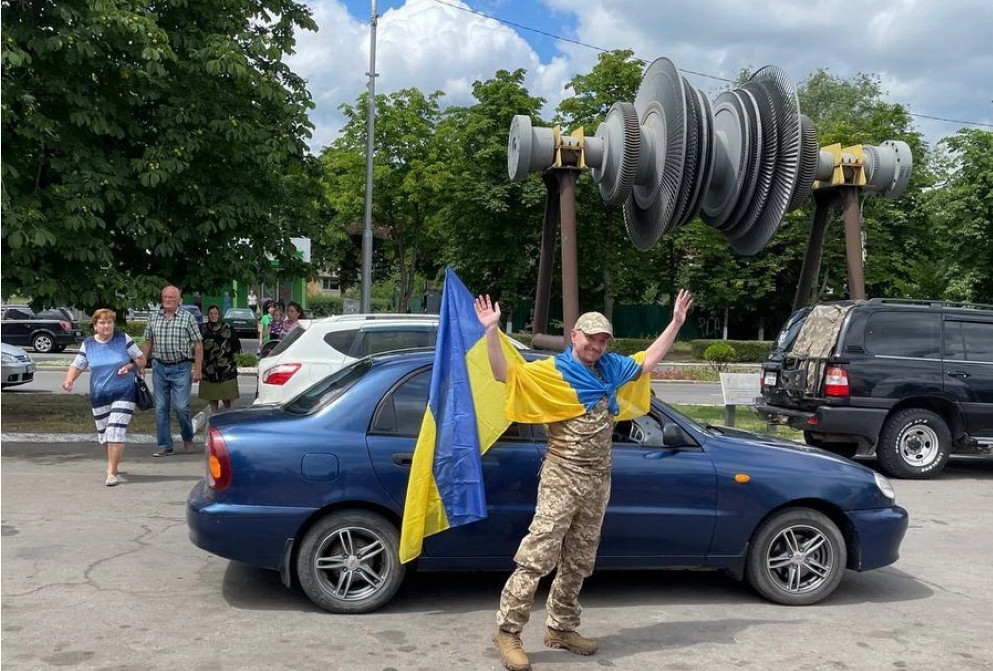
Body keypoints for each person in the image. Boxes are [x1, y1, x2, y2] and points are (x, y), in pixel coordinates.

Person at [475, 291, 693, 671]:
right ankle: (507, 630)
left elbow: (648, 361)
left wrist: (674, 322)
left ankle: (560, 627)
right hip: (562, 476)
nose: (596, 344)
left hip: (597, 480)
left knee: (579, 559)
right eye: (590, 337)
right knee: (537, 556)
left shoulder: (610, 369)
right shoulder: (553, 371)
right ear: (574, 336)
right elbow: (501, 373)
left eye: (603, 339)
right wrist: (492, 332)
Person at [61, 309, 147, 486]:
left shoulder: (123, 339)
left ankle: (111, 472)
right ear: (95, 326)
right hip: (99, 395)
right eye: (102, 323)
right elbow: (77, 365)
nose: (107, 326)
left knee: (116, 429)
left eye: (110, 322)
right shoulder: (88, 345)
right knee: (105, 434)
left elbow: (141, 359)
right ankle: (113, 462)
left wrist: (130, 367)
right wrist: (69, 380)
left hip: (124, 392)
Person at [142, 285, 204, 457]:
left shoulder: (188, 318)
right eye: (165, 297)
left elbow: (198, 345)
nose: (167, 300)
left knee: (181, 407)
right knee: (161, 408)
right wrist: (141, 362)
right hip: (159, 367)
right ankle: (165, 445)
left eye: (171, 298)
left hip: (181, 367)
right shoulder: (153, 317)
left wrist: (197, 369)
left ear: (179, 300)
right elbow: (148, 342)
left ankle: (187, 438)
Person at [198, 304, 241, 412]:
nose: (213, 316)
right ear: (208, 315)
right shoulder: (202, 328)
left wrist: (236, 362)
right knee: (212, 397)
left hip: (226, 369)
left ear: (219, 315)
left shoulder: (228, 328)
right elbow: (198, 347)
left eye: (215, 313)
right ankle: (214, 417)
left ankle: (226, 417)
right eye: (211, 314)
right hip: (209, 369)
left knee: (227, 397)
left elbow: (236, 347)